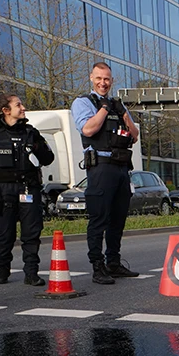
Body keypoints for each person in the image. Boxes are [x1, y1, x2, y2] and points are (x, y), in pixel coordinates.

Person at [71, 61, 140, 285]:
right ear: (92, 78)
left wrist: (123, 114)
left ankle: (114, 262)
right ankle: (97, 266)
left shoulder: (117, 104)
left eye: (107, 79)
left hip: (121, 167)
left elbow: (135, 135)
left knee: (118, 219)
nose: (103, 83)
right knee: (99, 218)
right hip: (100, 166)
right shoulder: (83, 102)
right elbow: (89, 129)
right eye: (99, 78)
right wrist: (103, 108)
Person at [0, 93, 55, 285]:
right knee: (5, 233)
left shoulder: (30, 132)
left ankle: (31, 273)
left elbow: (48, 158)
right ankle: (3, 269)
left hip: (28, 188)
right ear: (6, 110)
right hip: (4, 190)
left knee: (31, 233)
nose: (23, 107)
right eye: (18, 105)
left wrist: (36, 146)